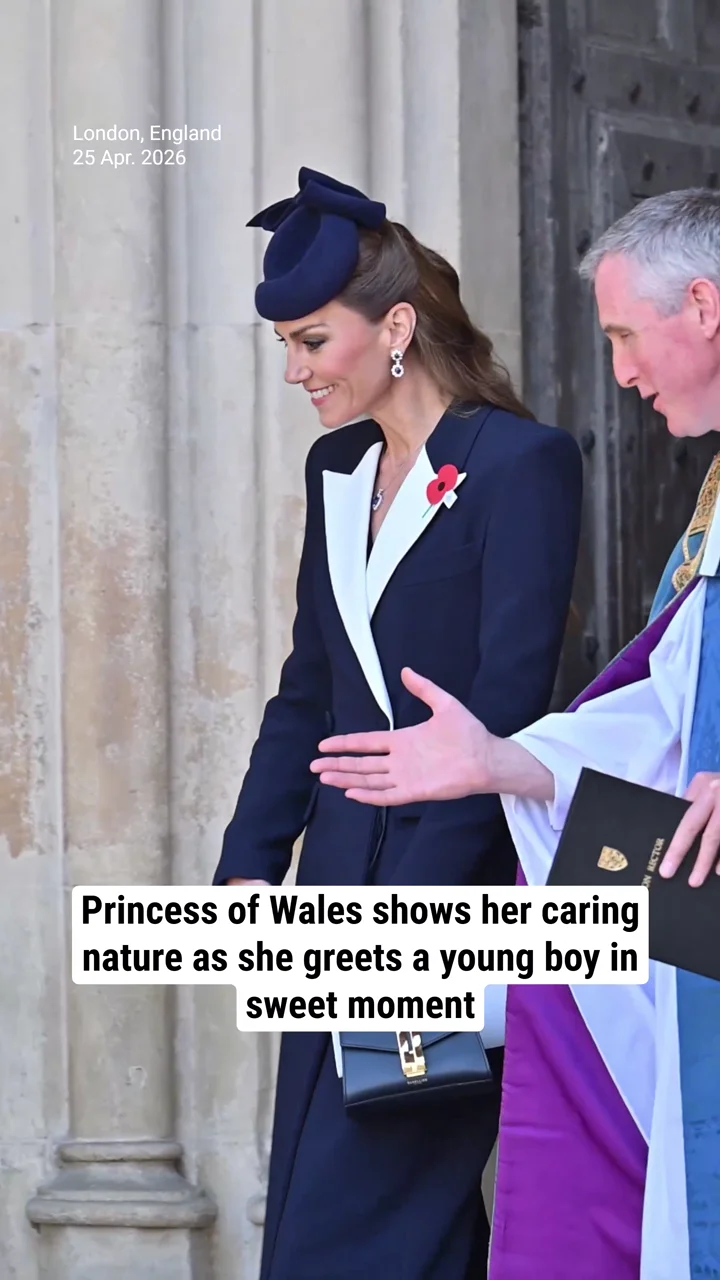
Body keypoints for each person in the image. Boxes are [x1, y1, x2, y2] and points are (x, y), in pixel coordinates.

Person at [312, 187, 720, 1279]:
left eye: (628, 336)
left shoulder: (519, 463)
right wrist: (503, 762)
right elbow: (661, 711)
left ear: (706, 306)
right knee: (543, 991)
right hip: (686, 883)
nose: (622, 372)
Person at [213, 166, 583, 1279]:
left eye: (313, 342)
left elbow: (507, 705)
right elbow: (306, 691)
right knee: (371, 1231)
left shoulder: (524, 464)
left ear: (398, 327)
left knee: (360, 1234)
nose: (296, 372)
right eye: (285, 345)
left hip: (442, 900)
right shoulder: (337, 468)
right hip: (331, 900)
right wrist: (247, 870)